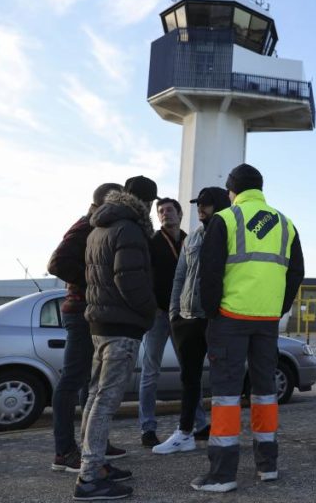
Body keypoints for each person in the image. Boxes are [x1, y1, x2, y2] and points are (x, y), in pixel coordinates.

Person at [192, 164, 304, 491]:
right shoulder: (285, 223)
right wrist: (278, 307)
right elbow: (296, 272)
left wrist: (212, 312)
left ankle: (222, 474)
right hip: (267, 321)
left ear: (232, 191)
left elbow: (210, 273)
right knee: (265, 391)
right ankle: (267, 465)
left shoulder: (225, 219)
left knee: (226, 396)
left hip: (230, 317)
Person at [75, 176, 158, 500]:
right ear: (147, 203)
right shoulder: (130, 229)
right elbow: (129, 281)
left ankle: (94, 464)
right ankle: (89, 477)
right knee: (106, 400)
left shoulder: (99, 227)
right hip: (122, 326)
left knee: (96, 396)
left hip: (99, 322)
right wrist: (149, 311)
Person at [48, 182, 124, 473]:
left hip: (89, 311)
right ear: (106, 202)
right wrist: (93, 281)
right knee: (72, 380)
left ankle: (94, 444)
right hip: (79, 310)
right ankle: (65, 451)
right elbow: (56, 263)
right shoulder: (83, 226)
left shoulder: (95, 226)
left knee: (91, 383)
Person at [153, 187, 231, 455]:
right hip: (187, 318)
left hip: (220, 318)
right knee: (190, 378)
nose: (201, 208)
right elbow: (180, 276)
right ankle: (185, 433)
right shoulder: (193, 237)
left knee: (223, 379)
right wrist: (175, 313)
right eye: (199, 204)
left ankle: (223, 433)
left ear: (219, 205)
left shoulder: (233, 233)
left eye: (206, 204)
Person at [139, 198, 202, 447]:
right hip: (157, 315)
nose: (165, 214)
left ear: (179, 213)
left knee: (190, 371)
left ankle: (199, 423)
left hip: (182, 314)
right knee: (150, 371)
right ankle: (147, 428)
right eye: (160, 211)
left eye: (169, 210)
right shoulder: (151, 241)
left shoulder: (190, 240)